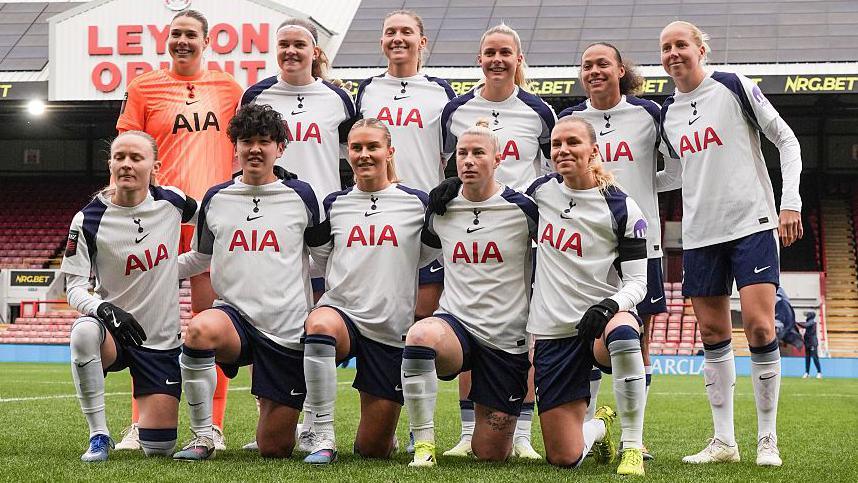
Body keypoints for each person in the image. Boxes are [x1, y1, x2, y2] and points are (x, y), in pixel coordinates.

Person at [659, 20, 803, 467]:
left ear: (702, 49)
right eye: (665, 48)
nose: (673, 53)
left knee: (760, 328)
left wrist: (790, 202)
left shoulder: (734, 85)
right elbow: (676, 175)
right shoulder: (669, 113)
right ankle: (724, 441)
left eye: (681, 44)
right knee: (714, 334)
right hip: (700, 234)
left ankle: (767, 439)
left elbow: (786, 138)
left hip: (751, 224)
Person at [115, 8, 242, 451]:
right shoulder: (144, 86)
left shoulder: (228, 88)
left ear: (207, 41)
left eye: (191, 34)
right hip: (158, 221)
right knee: (148, 325)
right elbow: (127, 151)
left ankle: (214, 425)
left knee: (210, 322)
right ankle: (140, 423)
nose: (182, 41)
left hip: (212, 220)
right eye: (175, 34)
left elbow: (244, 150)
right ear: (166, 40)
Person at [171, 104, 328, 460]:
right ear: (236, 146)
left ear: (280, 148)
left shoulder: (303, 196)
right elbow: (200, 257)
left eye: (264, 141)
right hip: (233, 319)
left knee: (275, 448)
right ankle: (203, 435)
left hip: (285, 329)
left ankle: (301, 426)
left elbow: (323, 259)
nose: (255, 149)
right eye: (246, 141)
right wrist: (151, 272)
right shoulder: (216, 198)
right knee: (198, 329)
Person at [558, 42, 682, 460]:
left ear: (619, 70)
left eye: (603, 64)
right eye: (587, 65)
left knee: (637, 338)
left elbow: (676, 171)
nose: (594, 71)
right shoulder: (570, 120)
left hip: (639, 242)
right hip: (587, 247)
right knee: (586, 332)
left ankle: (636, 437)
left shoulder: (648, 114)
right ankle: (593, 430)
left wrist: (639, 188)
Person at [438, 23, 556, 459]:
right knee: (466, 319)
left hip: (521, 234)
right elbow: (444, 167)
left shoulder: (539, 111)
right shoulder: (455, 110)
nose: (497, 60)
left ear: (518, 59)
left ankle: (521, 432)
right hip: (469, 230)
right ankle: (468, 430)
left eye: (506, 52)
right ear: (479, 59)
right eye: (489, 52)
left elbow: (552, 174)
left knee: (525, 329)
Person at [239, 16, 356, 450]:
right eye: (283, 44)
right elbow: (246, 151)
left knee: (315, 318)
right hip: (270, 219)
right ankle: (269, 418)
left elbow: (356, 150)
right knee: (266, 317)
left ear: (314, 52)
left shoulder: (337, 99)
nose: (290, 51)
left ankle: (315, 422)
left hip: (323, 223)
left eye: (299, 45)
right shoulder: (257, 95)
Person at [300, 118, 440, 465]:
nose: (364, 154)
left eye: (372, 147)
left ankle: (386, 435)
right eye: (356, 147)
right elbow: (322, 259)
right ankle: (322, 434)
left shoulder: (417, 203)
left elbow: (426, 254)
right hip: (342, 313)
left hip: (390, 331)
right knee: (319, 325)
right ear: (347, 153)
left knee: (372, 451)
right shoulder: (335, 204)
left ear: (389, 151)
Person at [402, 119, 537, 468]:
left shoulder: (524, 209)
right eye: (463, 153)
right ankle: (423, 444)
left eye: (479, 153)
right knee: (420, 334)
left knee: (491, 453)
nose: (469, 160)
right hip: (455, 327)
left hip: (506, 338)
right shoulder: (442, 208)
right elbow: (418, 253)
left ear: (498, 159)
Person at [61, 131, 197, 462]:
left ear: (155, 166)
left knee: (159, 449)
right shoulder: (88, 218)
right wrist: (102, 308)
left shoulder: (173, 202)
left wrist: (173, 268)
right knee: (82, 331)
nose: (126, 164)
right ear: (110, 163)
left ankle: (150, 429)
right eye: (119, 157)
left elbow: (214, 225)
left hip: (160, 341)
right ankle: (99, 436)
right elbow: (74, 287)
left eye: (136, 158)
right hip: (114, 334)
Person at [526, 116, 648, 475]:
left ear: (594, 150)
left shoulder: (622, 207)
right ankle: (599, 426)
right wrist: (452, 186)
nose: (563, 150)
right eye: (556, 144)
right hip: (553, 333)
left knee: (625, 331)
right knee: (564, 458)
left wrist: (611, 305)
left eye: (573, 142)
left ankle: (632, 447)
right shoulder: (540, 193)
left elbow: (638, 283)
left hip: (601, 325)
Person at [355, 9, 456, 337]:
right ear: (382, 41)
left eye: (406, 32)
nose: (398, 38)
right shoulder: (367, 89)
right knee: (381, 314)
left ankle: (415, 388)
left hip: (424, 215)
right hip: (378, 215)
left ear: (422, 41)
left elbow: (450, 156)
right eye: (390, 32)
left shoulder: (441, 92)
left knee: (422, 315)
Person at [801, 311, 822, 378]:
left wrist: (795, 322)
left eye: (808, 315)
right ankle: (807, 373)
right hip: (807, 342)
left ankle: (819, 372)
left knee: (815, 358)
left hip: (812, 343)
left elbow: (805, 325)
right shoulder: (809, 321)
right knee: (807, 358)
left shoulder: (812, 322)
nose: (807, 316)